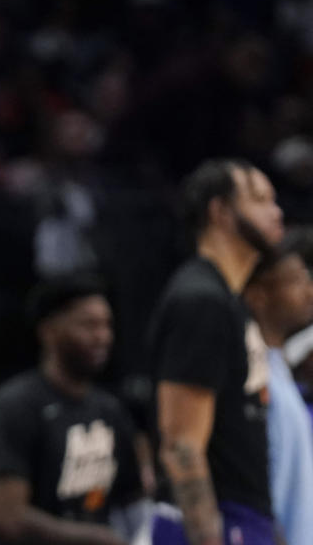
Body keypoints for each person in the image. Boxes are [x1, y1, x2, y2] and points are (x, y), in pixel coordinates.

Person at [149, 159, 284, 545]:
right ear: (220, 211)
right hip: (213, 520)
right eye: (260, 200)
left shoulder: (231, 301)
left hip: (247, 515)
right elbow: (181, 445)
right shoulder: (200, 300)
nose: (277, 212)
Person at [0, 274, 145, 545]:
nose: (102, 336)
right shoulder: (16, 406)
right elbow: (5, 519)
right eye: (88, 325)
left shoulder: (110, 410)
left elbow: (133, 501)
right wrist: (98, 539)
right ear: (49, 331)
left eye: (107, 325)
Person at [243, 233, 313, 545]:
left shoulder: (281, 372)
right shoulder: (251, 375)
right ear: (258, 294)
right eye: (296, 282)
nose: (310, 292)